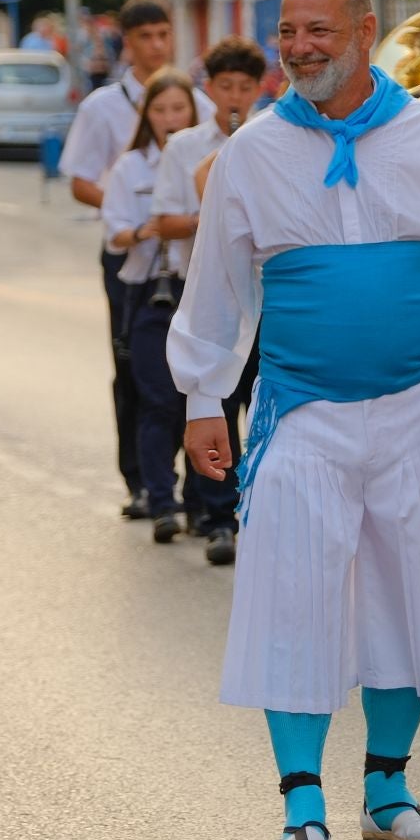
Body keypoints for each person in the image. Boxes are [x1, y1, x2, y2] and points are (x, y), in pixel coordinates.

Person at [171, 0, 420, 840]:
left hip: (416, 411)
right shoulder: (253, 152)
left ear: (365, 33)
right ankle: (302, 808)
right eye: (288, 34)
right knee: (294, 600)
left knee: (409, 598)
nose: (299, 50)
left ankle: (388, 790)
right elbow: (217, 284)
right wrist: (203, 397)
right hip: (300, 416)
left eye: (318, 33)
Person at [63, 0, 214, 519]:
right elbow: (81, 181)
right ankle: (142, 481)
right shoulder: (102, 107)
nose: (156, 45)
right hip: (132, 254)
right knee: (134, 367)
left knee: (195, 372)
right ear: (127, 43)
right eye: (145, 37)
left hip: (189, 258)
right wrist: (132, 211)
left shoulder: (199, 102)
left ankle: (197, 492)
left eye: (163, 34)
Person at [152, 37, 268, 564]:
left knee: (261, 404)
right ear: (210, 89)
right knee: (217, 399)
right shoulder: (184, 147)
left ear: (258, 88)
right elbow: (164, 221)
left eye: (245, 87)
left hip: (264, 294)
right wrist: (217, 212)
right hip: (208, 287)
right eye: (226, 87)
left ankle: (257, 511)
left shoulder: (270, 138)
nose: (235, 96)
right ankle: (219, 517)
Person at [103, 72, 203, 545]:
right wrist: (152, 228)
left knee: (199, 399)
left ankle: (201, 502)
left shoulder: (207, 159)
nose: (170, 119)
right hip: (149, 290)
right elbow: (115, 233)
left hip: (197, 289)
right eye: (160, 111)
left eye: (178, 109)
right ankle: (161, 500)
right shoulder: (131, 167)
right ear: (148, 117)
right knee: (157, 398)